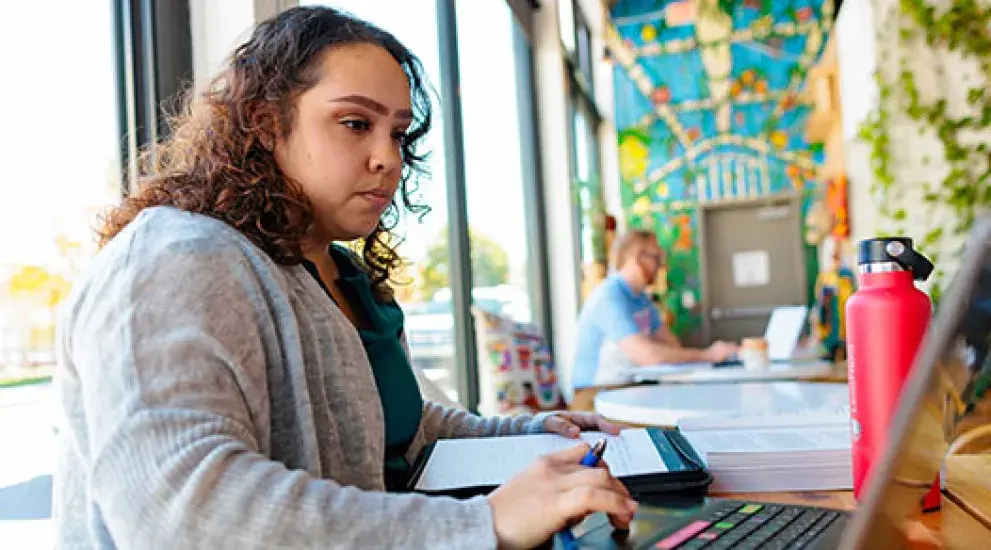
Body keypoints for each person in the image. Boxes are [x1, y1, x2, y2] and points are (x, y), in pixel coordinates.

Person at [53, 7, 637, 549]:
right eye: (355, 123)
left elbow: (402, 429)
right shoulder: (176, 257)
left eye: (398, 133)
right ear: (265, 123)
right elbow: (179, 511)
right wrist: (482, 523)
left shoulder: (339, 273)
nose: (388, 157)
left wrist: (531, 432)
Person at [570, 230, 737, 392]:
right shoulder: (608, 296)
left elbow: (671, 345)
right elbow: (648, 356)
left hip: (626, 386)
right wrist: (708, 355)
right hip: (594, 393)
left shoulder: (641, 297)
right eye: (656, 258)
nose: (660, 266)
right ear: (636, 258)